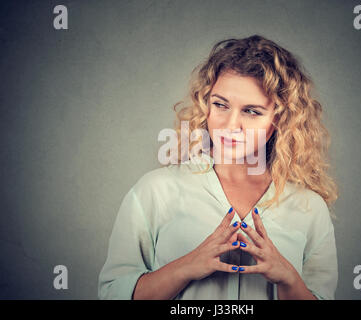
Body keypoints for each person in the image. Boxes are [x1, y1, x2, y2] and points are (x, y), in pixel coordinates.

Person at [98, 35, 339, 300]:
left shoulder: (309, 208)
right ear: (206, 104)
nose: (230, 125)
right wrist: (186, 266)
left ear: (279, 119)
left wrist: (288, 279)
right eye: (220, 105)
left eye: (252, 111)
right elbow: (112, 294)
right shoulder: (155, 191)